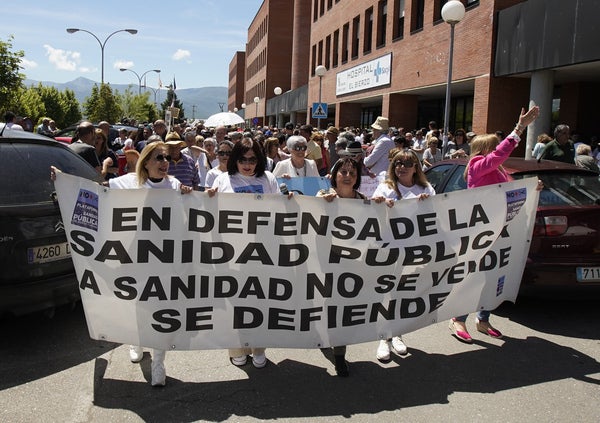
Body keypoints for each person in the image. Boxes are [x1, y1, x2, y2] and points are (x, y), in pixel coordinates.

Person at [51, 142, 192, 387]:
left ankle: (159, 361)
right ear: (145, 162)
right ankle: (137, 341)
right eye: (158, 158)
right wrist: (64, 180)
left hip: (166, 258)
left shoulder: (176, 186)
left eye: (166, 158)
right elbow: (95, 191)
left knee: (162, 307)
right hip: (134, 257)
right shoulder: (126, 182)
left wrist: (198, 196)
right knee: (138, 302)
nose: (164, 162)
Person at [449, 105, 540, 343]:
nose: (498, 151)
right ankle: (458, 319)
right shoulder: (478, 167)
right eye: (494, 146)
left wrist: (532, 190)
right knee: (473, 277)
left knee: (493, 275)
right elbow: (499, 155)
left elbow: (514, 194)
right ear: (485, 150)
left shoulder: (500, 172)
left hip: (500, 232)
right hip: (479, 233)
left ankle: (483, 318)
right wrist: (518, 129)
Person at [207, 137, 281, 368]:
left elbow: (281, 210)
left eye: (253, 159)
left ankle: (259, 347)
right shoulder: (222, 179)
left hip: (263, 251)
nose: (247, 164)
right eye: (242, 159)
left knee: (261, 301)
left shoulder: (268, 179)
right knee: (236, 302)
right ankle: (237, 347)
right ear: (234, 159)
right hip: (233, 253)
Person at [371, 149, 435, 360]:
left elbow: (436, 215)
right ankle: (383, 336)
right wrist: (381, 205)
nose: (402, 167)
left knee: (405, 292)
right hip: (389, 250)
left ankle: (397, 334)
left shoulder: (425, 188)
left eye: (407, 163)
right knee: (387, 293)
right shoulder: (386, 187)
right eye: (398, 163)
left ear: (416, 167)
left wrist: (428, 203)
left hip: (415, 251)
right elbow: (370, 214)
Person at [316, 157, 367, 376]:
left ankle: (339, 355)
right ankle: (326, 338)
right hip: (325, 262)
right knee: (328, 305)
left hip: (353, 264)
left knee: (343, 309)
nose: (347, 176)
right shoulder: (322, 197)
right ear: (334, 175)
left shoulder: (364, 201)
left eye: (352, 173)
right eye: (343, 172)